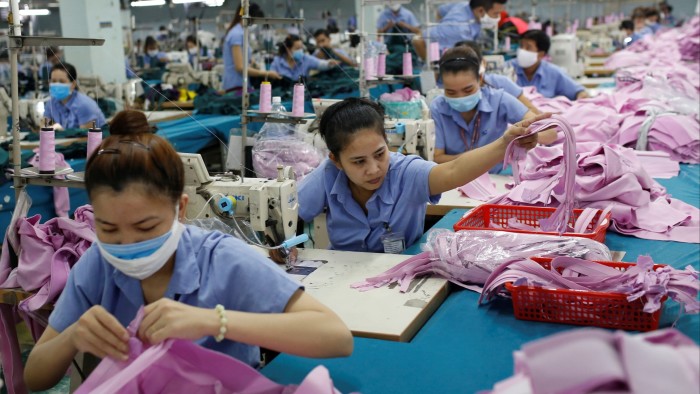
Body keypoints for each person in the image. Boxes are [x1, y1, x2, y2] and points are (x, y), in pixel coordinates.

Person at [23, 110, 353, 392]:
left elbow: (336, 337)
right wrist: (74, 337)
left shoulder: (222, 259)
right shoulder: (97, 264)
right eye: (109, 229)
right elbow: (34, 377)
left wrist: (214, 322)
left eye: (146, 227)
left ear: (181, 209)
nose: (128, 245)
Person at [296, 98, 550, 252]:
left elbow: (453, 170)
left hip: (399, 272)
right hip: (342, 270)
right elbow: (292, 212)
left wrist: (503, 143)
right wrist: (284, 246)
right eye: (358, 161)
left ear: (388, 143)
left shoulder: (406, 173)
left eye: (380, 154)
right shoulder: (328, 175)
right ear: (336, 161)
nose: (373, 169)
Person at [431, 47, 554, 169]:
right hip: (455, 178)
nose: (460, 97)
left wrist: (530, 137)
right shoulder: (438, 107)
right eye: (451, 92)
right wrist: (483, 156)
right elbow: (437, 157)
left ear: (480, 79)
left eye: (468, 90)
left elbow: (550, 133)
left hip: (497, 173)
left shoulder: (499, 100)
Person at [454, 40, 540, 113]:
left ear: (483, 62)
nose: (465, 69)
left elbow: (531, 111)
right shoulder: (448, 93)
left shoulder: (500, 85)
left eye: (470, 63)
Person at [414, 0, 507, 60]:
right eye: (496, 13)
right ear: (481, 11)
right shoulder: (460, 30)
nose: (498, 17)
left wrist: (441, 26)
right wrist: (443, 30)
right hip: (432, 55)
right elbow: (418, 40)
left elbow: (440, 11)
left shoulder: (463, 5)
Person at [511, 30, 588, 100]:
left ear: (541, 54)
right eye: (521, 46)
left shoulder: (554, 73)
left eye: (528, 47)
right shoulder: (507, 69)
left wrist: (581, 99)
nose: (522, 51)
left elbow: (579, 92)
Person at [222, 3, 281, 93]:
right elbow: (240, 67)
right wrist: (265, 73)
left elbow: (242, 58)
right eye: (255, 21)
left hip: (241, 84)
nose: (254, 24)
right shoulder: (236, 34)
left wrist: (251, 61)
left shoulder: (241, 32)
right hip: (235, 85)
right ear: (248, 17)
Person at [44, 63, 106, 129]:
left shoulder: (84, 104)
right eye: (53, 81)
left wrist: (62, 132)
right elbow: (45, 125)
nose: (56, 85)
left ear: (73, 84)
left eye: (62, 81)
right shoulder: (51, 103)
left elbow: (85, 135)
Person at [270, 35, 338, 81]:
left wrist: (329, 63)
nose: (300, 51)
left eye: (301, 48)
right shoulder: (277, 62)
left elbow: (321, 64)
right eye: (297, 48)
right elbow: (271, 76)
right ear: (288, 49)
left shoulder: (305, 59)